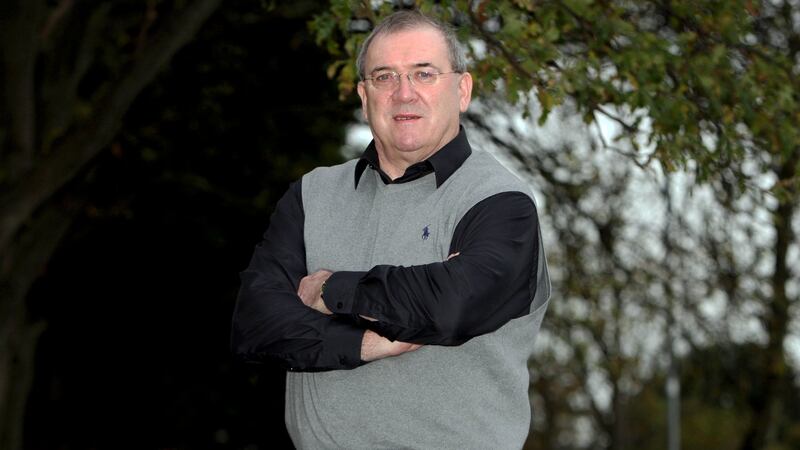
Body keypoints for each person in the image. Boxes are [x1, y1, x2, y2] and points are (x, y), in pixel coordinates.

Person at [231, 9, 551, 449]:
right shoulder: (313, 194)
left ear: (462, 89)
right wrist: (366, 342)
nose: (404, 94)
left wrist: (329, 291)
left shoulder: (499, 201)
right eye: (384, 77)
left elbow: (453, 306)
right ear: (364, 96)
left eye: (424, 74)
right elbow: (255, 324)